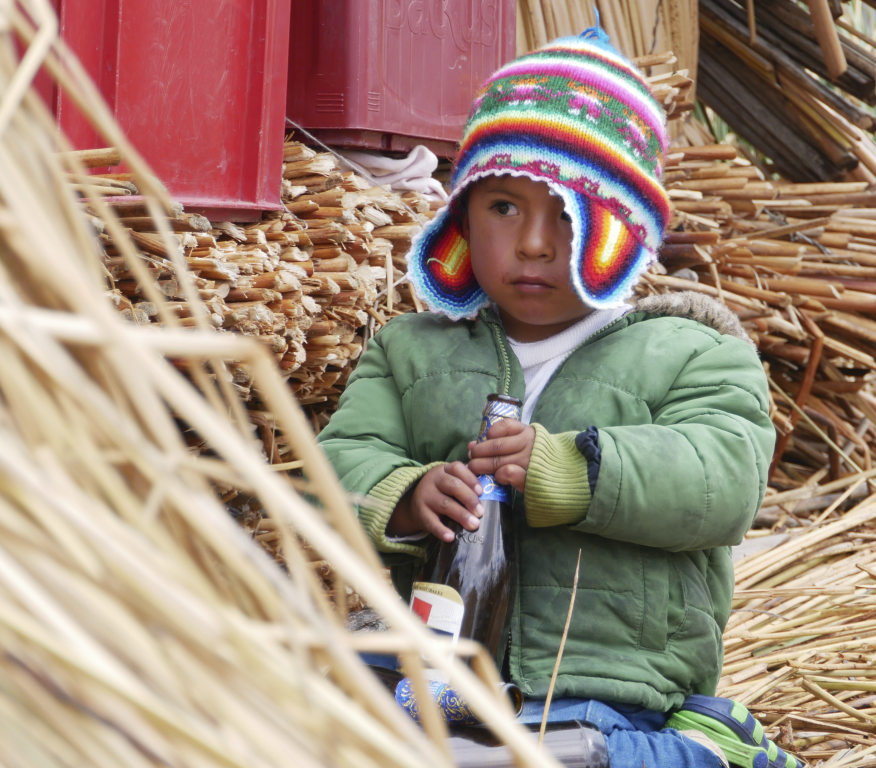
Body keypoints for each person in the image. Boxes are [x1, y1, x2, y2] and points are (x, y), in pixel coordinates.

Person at [317, 25, 796, 768]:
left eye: (568, 215)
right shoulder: (412, 351)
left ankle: (704, 746)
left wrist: (572, 469)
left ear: (624, 231)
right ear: (461, 216)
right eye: (503, 207)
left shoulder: (693, 352)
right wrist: (403, 497)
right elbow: (334, 467)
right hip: (436, 672)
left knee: (563, 759)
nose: (534, 242)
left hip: (603, 685)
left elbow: (722, 479)